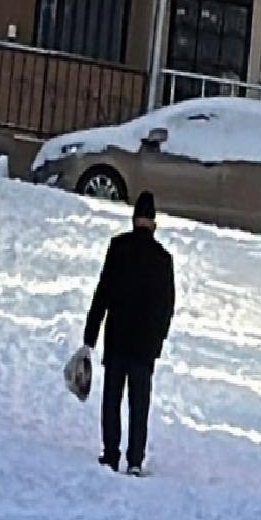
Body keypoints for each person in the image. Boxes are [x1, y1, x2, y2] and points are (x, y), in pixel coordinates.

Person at [75, 190, 176, 475]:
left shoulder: (118, 248)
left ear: (134, 219)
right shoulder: (162, 260)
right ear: (154, 223)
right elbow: (167, 306)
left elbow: (102, 294)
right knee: (139, 404)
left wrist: (89, 337)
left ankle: (110, 453)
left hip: (117, 339)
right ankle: (134, 460)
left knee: (112, 400)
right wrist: (158, 341)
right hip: (144, 346)